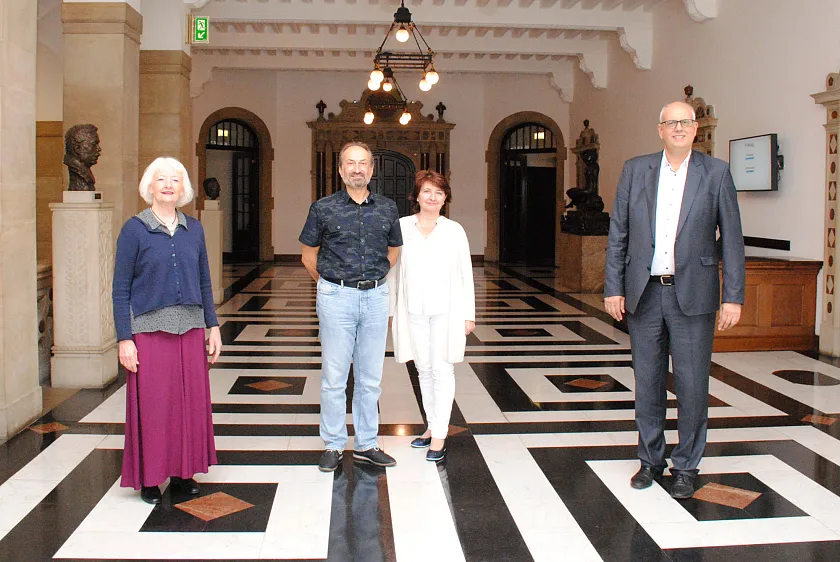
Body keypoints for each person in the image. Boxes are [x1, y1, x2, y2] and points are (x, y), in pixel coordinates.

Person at [604, 101, 745, 499]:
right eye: (671, 123)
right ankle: (650, 460)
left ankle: (686, 465)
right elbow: (619, 234)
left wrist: (733, 296)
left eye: (685, 122)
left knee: (692, 384)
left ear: (695, 129)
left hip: (695, 297)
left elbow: (732, 239)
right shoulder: (636, 170)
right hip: (645, 295)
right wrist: (614, 287)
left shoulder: (716, 172)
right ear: (660, 130)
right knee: (646, 382)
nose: (678, 128)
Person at [113, 156, 222, 504]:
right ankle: (149, 476)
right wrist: (124, 338)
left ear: (183, 188)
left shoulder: (195, 229)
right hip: (148, 330)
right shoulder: (134, 229)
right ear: (149, 186)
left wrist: (213, 326)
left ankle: (183, 472)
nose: (168, 185)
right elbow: (120, 289)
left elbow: (205, 280)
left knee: (188, 404)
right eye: (161, 179)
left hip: (190, 329)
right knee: (155, 405)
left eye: (175, 180)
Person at [299, 141, 403, 473]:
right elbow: (308, 254)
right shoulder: (322, 208)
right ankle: (332, 443)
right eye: (350, 163)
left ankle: (367, 443)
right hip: (336, 297)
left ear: (372, 170)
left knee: (370, 377)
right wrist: (329, 284)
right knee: (334, 376)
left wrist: (380, 273)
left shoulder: (387, 208)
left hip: (375, 298)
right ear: (341, 170)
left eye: (363, 163)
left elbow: (395, 249)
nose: (357, 168)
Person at [388, 170, 475, 462]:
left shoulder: (454, 230)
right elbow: (393, 271)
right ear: (417, 196)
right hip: (413, 309)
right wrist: (390, 310)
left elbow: (466, 274)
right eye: (427, 191)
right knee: (423, 369)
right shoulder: (402, 227)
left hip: (447, 311)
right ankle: (431, 425)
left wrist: (468, 314)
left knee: (443, 369)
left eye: (438, 193)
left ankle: (440, 435)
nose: (432, 197)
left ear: (445, 198)